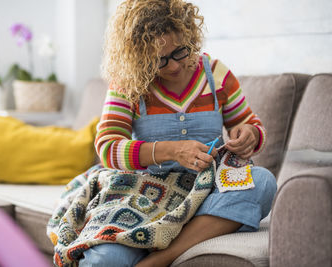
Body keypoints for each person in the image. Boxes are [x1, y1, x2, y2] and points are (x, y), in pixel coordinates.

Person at [47, 0, 277, 266]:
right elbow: (108, 148)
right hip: (141, 195)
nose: (173, 67)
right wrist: (172, 151)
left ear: (190, 35)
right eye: (159, 60)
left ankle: (162, 257)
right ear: (138, 56)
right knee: (103, 261)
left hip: (206, 191)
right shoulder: (129, 81)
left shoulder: (216, 74)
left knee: (261, 181)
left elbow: (251, 126)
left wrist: (248, 134)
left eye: (180, 51)